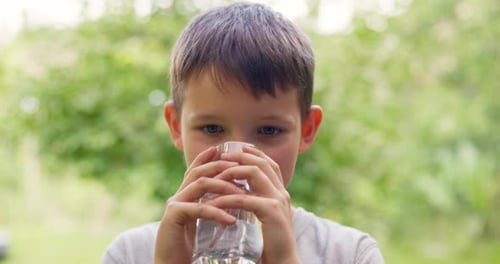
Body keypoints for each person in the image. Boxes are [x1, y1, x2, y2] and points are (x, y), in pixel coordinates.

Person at [102, 2, 384, 264]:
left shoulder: (350, 253)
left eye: (269, 130)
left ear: (306, 129)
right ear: (176, 126)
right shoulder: (131, 253)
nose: (238, 158)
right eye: (212, 128)